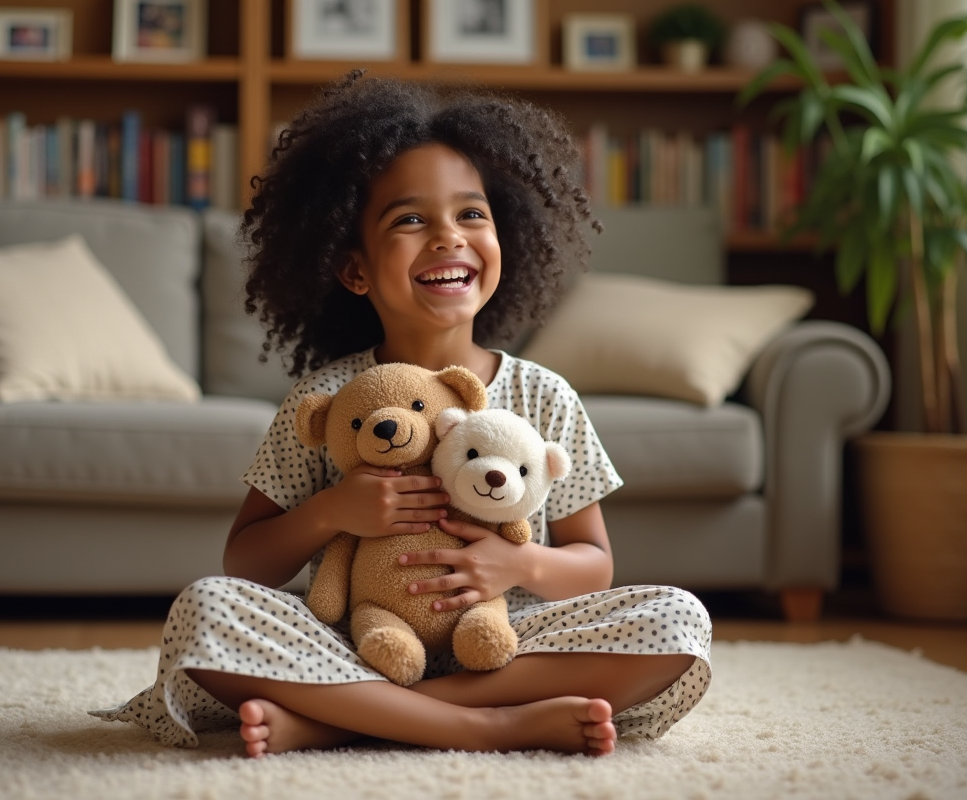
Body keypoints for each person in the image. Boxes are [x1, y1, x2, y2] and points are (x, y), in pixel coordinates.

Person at [91, 70, 712, 758]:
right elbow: (245, 564)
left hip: (508, 644)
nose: (449, 236)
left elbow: (594, 564)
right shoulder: (322, 402)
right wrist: (332, 513)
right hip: (358, 643)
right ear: (353, 269)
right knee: (207, 610)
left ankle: (340, 723)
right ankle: (490, 726)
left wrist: (519, 565)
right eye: (411, 219)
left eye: (472, 214)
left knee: (677, 620)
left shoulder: (545, 396)